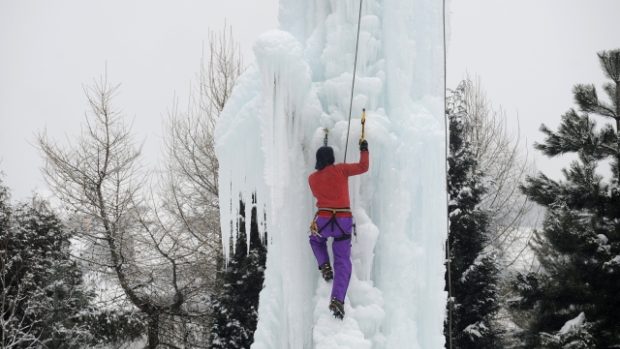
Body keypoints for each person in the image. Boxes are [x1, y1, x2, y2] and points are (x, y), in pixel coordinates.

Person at [308, 139, 369, 319]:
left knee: (315, 240)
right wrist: (364, 149)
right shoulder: (341, 169)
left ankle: (324, 265)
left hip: (324, 219)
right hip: (343, 220)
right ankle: (337, 300)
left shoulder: (312, 179)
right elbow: (363, 166)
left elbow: (318, 192)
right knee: (342, 260)